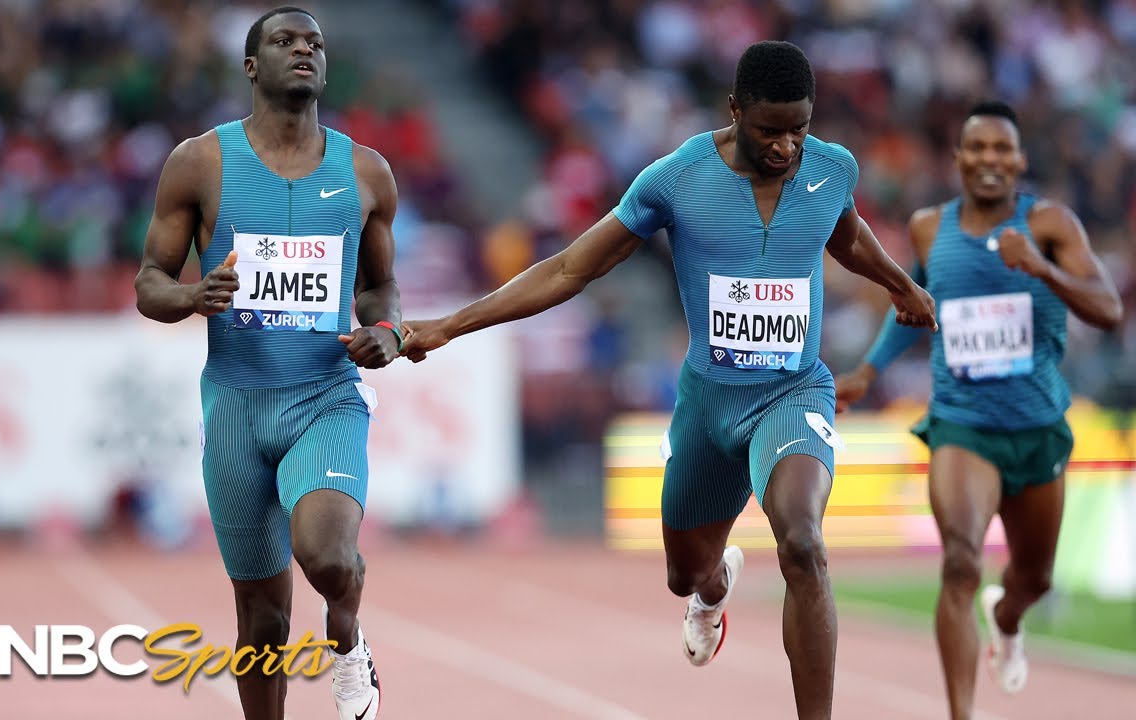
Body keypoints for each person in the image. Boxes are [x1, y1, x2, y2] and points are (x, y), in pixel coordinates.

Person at [401, 40, 936, 719]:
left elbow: (846, 233)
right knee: (684, 570)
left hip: (793, 392)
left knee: (802, 541)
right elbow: (572, 268)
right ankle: (711, 592)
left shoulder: (831, 168)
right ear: (735, 109)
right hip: (710, 404)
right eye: (770, 131)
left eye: (799, 130)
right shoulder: (675, 179)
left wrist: (900, 285)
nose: (786, 148)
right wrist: (449, 324)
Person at [134, 7, 400, 720]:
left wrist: (388, 331)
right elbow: (149, 284)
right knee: (262, 622)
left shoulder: (367, 172)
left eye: (315, 42)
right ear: (251, 66)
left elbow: (380, 288)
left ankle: (347, 639)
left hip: (325, 398)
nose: (304, 50)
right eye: (285, 41)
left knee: (329, 558)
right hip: (236, 409)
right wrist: (192, 295)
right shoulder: (199, 162)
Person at [834, 101, 1122, 719]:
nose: (990, 160)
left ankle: (1007, 615)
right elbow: (911, 301)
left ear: (1019, 160)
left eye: (1002, 150)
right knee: (961, 560)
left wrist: (1041, 268)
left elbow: (1109, 308)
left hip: (1037, 428)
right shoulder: (928, 229)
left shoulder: (1048, 224)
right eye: (978, 149)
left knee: (1034, 580)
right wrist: (868, 370)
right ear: (958, 158)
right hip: (962, 425)